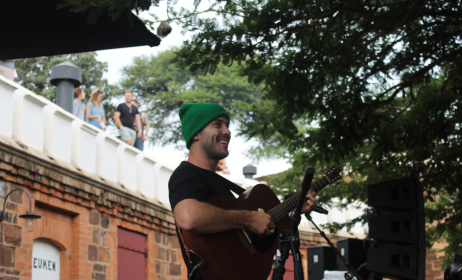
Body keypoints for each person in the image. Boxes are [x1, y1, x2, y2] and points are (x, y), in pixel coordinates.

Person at [168, 103, 317, 280]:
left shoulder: (219, 183)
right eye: (217, 124)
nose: (227, 132)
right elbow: (188, 216)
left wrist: (295, 210)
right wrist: (249, 218)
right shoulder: (187, 174)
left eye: (227, 125)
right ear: (195, 134)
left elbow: (260, 230)